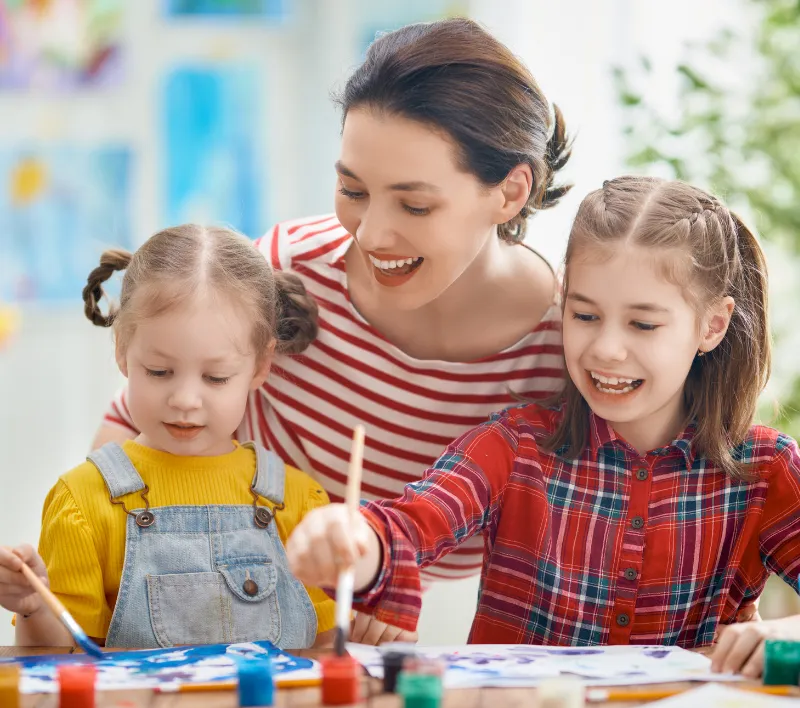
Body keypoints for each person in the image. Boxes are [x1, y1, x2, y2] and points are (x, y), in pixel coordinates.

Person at [88, 18, 570, 643]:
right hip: (210, 606)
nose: (369, 235)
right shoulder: (293, 266)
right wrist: (100, 560)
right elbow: (138, 418)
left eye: (415, 205)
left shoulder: (562, 351)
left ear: (510, 192)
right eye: (352, 189)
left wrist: (381, 579)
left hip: (426, 645)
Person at [285, 176, 798, 678]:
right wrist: (356, 540)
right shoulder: (514, 445)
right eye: (584, 315)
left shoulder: (767, 469)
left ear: (712, 325)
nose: (605, 349)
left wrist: (785, 633)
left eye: (643, 324)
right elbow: (412, 523)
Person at [0, 224, 336, 649]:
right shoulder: (82, 502)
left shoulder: (300, 502)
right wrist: (34, 605)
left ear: (260, 367)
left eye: (215, 378)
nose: (185, 400)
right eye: (159, 372)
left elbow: (326, 652)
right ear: (122, 348)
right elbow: (55, 662)